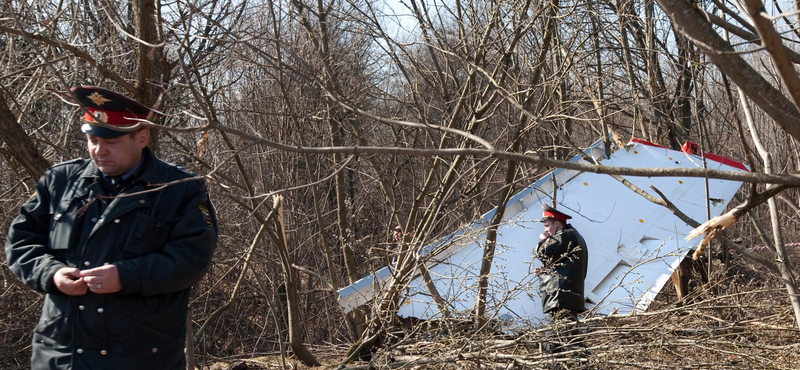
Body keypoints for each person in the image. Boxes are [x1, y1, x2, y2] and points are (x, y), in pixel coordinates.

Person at [5, 86, 219, 370]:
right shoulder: (61, 182)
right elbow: (21, 244)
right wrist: (52, 273)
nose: (99, 150)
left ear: (142, 137)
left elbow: (192, 258)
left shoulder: (178, 188)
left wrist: (126, 276)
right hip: (62, 352)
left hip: (140, 355)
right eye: (92, 140)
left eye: (111, 142)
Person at [534, 203, 588, 353]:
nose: (545, 231)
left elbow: (543, 253)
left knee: (558, 340)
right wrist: (544, 271)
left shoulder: (564, 235)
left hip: (560, 297)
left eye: (547, 226)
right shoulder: (572, 236)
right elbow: (560, 263)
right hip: (564, 296)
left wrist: (542, 240)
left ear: (557, 224)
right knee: (565, 338)